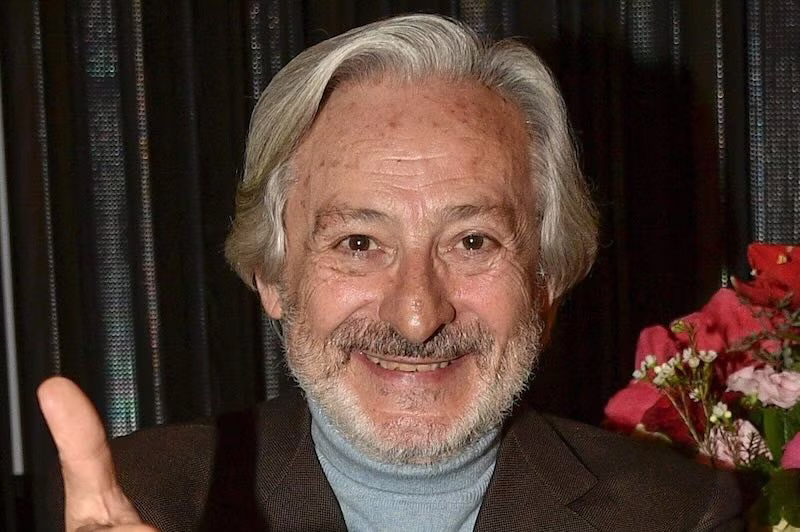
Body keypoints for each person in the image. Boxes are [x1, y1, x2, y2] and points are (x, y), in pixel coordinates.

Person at [37, 13, 743, 531]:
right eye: (358, 243)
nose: (416, 315)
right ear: (273, 276)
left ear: (546, 280)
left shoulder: (675, 515)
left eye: (472, 241)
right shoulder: (141, 502)